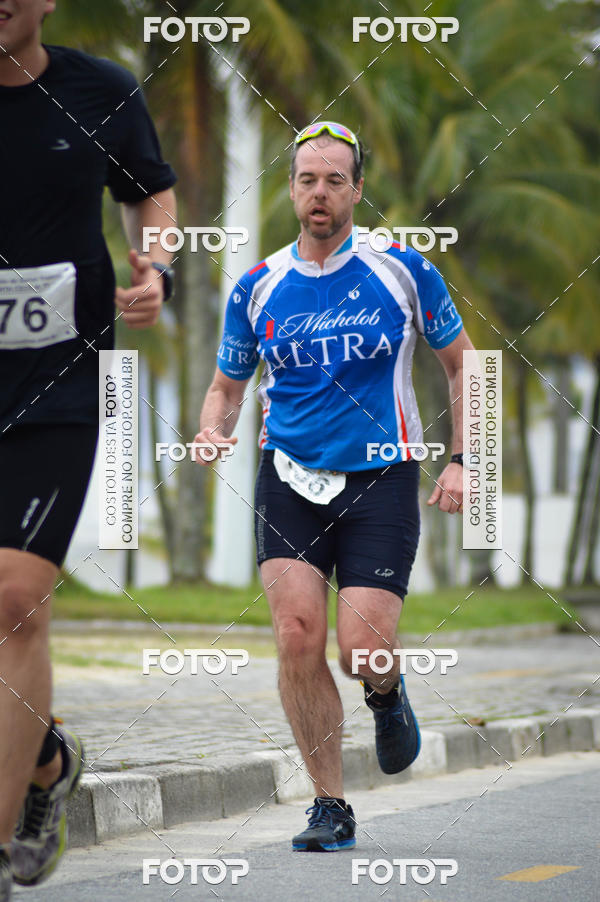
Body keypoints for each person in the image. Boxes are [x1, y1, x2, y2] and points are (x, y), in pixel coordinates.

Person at [195, 120, 472, 851]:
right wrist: (212, 427)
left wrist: (464, 460)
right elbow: (226, 386)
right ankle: (330, 805)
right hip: (287, 476)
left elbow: (467, 366)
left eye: (335, 181)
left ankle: (387, 691)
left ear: (357, 190)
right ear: (292, 190)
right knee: (296, 634)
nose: (320, 193)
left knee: (362, 650)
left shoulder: (403, 271)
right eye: (307, 180)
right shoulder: (258, 286)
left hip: (381, 478)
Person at [0, 2, 177, 897]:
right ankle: (45, 764)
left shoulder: (99, 91)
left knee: (14, 599)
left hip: (58, 385)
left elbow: (149, 190)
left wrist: (158, 268)